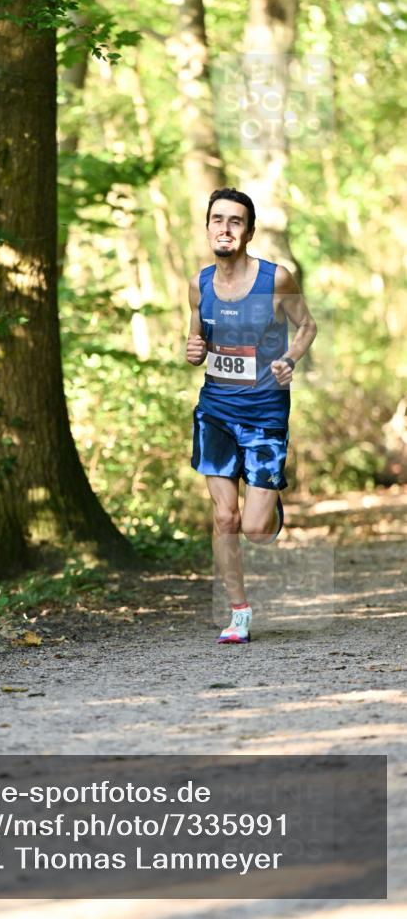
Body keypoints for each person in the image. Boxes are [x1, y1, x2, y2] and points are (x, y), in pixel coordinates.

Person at [186, 188, 317, 643]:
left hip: (264, 413)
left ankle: (269, 508)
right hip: (216, 410)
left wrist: (291, 358)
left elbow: (308, 325)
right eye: (217, 220)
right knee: (225, 518)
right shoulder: (199, 284)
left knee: (256, 529)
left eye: (235, 221)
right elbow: (196, 343)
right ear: (207, 228)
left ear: (249, 232)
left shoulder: (275, 279)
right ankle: (238, 611)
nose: (225, 228)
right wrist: (193, 349)